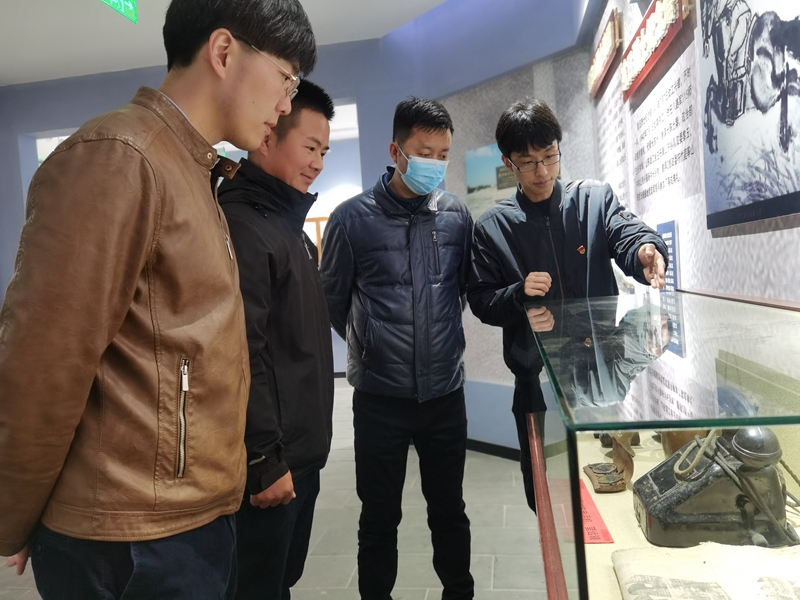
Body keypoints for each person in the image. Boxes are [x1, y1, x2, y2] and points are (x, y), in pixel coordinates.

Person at [0, 1, 316, 598]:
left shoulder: (192, 168)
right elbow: (42, 364)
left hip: (182, 523)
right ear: (223, 52)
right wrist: (12, 513)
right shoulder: (120, 156)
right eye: (286, 79)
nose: (285, 103)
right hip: (129, 540)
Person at [467, 98, 668, 513]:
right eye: (528, 162)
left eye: (549, 156)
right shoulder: (492, 227)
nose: (542, 171)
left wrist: (645, 250)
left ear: (559, 148)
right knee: (547, 499)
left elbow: (626, 233)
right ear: (508, 163)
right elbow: (482, 300)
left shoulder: (593, 199)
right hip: (536, 381)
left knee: (614, 490)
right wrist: (519, 295)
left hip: (604, 371)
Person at [321, 98, 474, 600]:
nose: (435, 163)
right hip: (379, 401)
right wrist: (373, 346)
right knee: (379, 517)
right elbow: (333, 302)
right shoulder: (350, 220)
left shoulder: (456, 216)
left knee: (449, 511)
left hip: (444, 395)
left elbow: (462, 292)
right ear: (396, 152)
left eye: (443, 154)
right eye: (424, 152)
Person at [217, 80, 335, 600]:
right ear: (267, 138)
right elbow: (243, 352)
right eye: (310, 147)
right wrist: (263, 459)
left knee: (278, 581)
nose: (318, 163)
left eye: (324, 152)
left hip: (299, 455)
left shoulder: (289, 228)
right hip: (272, 463)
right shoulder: (244, 226)